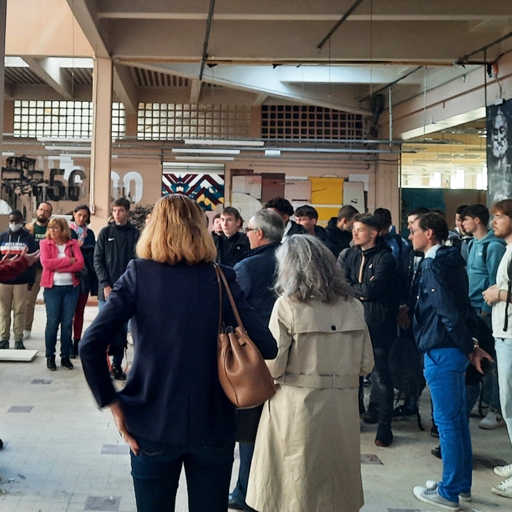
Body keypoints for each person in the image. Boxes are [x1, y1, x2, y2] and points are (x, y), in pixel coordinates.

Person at [80, 194, 277, 512]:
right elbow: (268, 347)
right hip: (214, 423)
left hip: (150, 421)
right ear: (201, 229)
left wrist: (113, 403)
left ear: (153, 229)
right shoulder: (221, 277)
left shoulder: (138, 274)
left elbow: (89, 345)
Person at [245, 235, 374, 512]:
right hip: (342, 406)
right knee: (336, 481)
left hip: (295, 404)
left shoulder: (288, 305)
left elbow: (274, 365)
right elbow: (366, 364)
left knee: (294, 483)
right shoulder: (353, 305)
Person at [411, 212, 490, 510]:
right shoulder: (453, 258)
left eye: (413, 230)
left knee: (446, 422)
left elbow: (445, 309)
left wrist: (466, 346)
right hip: (454, 348)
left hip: (441, 348)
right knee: (456, 420)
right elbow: (462, 307)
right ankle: (460, 483)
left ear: (429, 233)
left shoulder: (432, 264)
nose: (410, 236)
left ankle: (448, 492)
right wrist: (469, 344)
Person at [228, 208, 284, 511]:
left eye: (249, 230)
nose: (247, 235)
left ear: (259, 234)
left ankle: (245, 491)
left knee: (248, 426)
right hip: (289, 352)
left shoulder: (248, 267)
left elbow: (233, 306)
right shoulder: (292, 259)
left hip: (255, 356)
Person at [342, 214, 398, 447]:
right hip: (351, 321)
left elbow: (373, 289)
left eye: (360, 230)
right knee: (352, 373)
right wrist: (360, 289)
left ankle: (385, 426)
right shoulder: (349, 254)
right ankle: (353, 418)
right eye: (353, 229)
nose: (354, 233)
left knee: (380, 376)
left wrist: (358, 288)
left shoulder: (386, 258)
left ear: (374, 233)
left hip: (378, 323)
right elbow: (338, 283)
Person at [463, 203, 506, 429]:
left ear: (477, 221)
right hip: (473, 309)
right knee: (478, 358)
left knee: (492, 360)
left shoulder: (494, 247)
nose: (461, 223)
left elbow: (495, 280)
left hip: (487, 311)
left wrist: (486, 310)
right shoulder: (472, 244)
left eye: (466, 219)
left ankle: (495, 408)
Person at [483, 199, 512, 498]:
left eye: (500, 217)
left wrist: (498, 293)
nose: (495, 222)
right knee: (508, 404)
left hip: (511, 334)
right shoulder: (506, 250)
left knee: (511, 404)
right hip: (503, 333)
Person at [94, 197, 139, 380]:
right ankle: (103, 365)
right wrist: (105, 284)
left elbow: (139, 261)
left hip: (128, 291)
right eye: (114, 211)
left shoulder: (136, 234)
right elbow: (98, 260)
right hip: (107, 291)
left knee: (121, 332)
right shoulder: (105, 233)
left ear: (128, 212)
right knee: (105, 328)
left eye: (120, 210)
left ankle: (117, 365)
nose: (117, 214)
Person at [40, 217, 84, 371]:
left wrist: (60, 267)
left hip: (71, 288)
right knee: (52, 322)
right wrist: (68, 261)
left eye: (56, 228)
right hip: (52, 288)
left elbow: (80, 263)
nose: (52, 231)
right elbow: (46, 263)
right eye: (50, 228)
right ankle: (50, 356)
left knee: (67, 323)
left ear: (63, 229)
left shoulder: (72, 244)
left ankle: (65, 356)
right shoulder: (44, 243)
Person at [0, 210, 37, 349]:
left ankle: (18, 338)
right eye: (11, 221)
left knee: (20, 310)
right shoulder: (2, 237)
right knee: (4, 311)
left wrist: (31, 280)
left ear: (22, 221)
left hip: (21, 281)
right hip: (3, 281)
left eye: (16, 221)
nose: (14, 223)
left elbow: (32, 260)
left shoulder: (28, 238)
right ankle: (4, 338)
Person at [70, 205, 98, 358]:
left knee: (79, 311)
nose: (81, 218)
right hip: (69, 276)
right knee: (68, 313)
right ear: (74, 214)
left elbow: (92, 251)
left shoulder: (90, 233)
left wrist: (82, 249)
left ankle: (76, 342)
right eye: (79, 214)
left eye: (85, 216)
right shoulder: (67, 230)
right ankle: (67, 343)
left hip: (85, 276)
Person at [24, 201, 52, 340]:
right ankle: (26, 329)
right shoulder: (29, 228)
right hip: (32, 270)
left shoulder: (52, 229)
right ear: (36, 211)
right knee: (29, 301)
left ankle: (52, 329)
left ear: (50, 214)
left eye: (46, 211)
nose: (43, 213)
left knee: (51, 302)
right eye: (41, 210)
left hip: (49, 269)